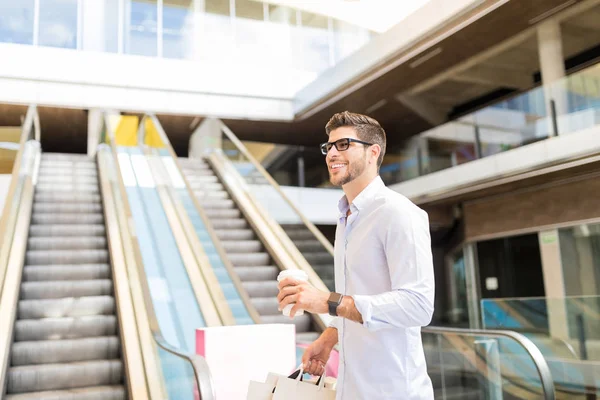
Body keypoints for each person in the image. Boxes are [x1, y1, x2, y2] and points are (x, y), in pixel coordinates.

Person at [277, 111, 435, 399]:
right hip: (353, 389)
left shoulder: (398, 212)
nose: (332, 153)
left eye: (344, 144)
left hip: (394, 391)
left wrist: (327, 301)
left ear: (373, 152)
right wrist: (331, 335)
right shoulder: (346, 217)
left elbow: (418, 305)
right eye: (329, 146)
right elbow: (363, 296)